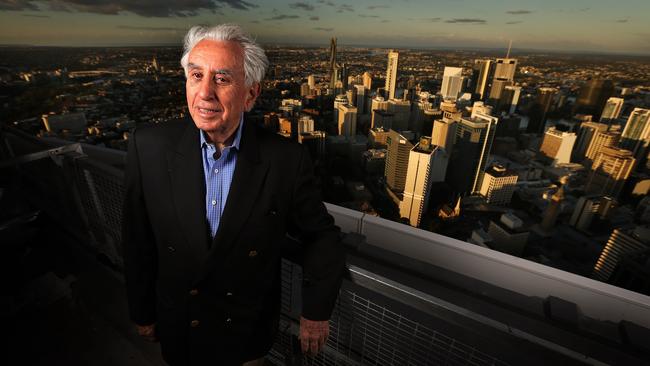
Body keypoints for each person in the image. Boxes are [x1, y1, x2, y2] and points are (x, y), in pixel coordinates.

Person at [122, 23, 345, 366]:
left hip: (244, 329)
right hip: (179, 320)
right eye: (196, 75)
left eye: (222, 79)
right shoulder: (148, 147)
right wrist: (142, 311)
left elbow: (321, 236)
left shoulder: (285, 160)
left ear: (251, 95)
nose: (205, 92)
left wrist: (314, 312)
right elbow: (137, 239)